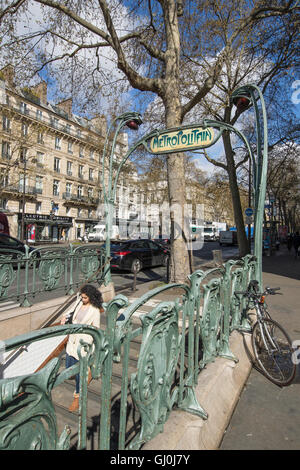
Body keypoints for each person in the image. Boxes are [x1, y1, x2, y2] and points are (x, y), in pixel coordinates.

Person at [61, 284, 103, 412]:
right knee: (69, 369)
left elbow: (96, 331)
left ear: (90, 297)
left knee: (78, 373)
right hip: (72, 341)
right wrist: (64, 317)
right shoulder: (79, 302)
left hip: (83, 345)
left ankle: (77, 396)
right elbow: (70, 311)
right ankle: (88, 371)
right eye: (81, 297)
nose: (82, 299)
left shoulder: (95, 311)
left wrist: (93, 350)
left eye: (84, 298)